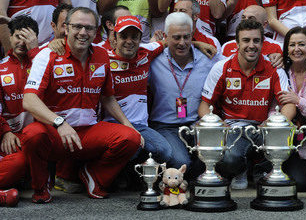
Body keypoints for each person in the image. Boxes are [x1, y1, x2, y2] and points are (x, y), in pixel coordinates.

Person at [22, 7, 142, 203]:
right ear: (66, 28)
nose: (83, 33)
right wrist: (59, 123)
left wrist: (128, 125)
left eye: (89, 28)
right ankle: (41, 186)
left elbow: (108, 98)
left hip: (87, 134)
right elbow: (29, 100)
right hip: (55, 134)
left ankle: (93, 176)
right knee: (32, 134)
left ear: (96, 32)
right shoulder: (47, 55)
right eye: (77, 26)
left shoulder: (102, 55)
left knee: (130, 138)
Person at [198, 19, 295, 188]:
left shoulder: (274, 68)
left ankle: (261, 169)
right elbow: (204, 106)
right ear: (236, 43)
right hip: (233, 128)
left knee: (289, 137)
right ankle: (241, 168)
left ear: (263, 43)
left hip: (263, 127)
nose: (251, 45)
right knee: (229, 160)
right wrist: (221, 127)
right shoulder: (221, 68)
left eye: (256, 40)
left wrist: (273, 124)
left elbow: (289, 105)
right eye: (246, 40)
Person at [149, 12, 218, 175]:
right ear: (166, 36)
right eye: (176, 37)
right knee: (182, 162)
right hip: (165, 125)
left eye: (187, 37)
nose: (182, 43)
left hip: (195, 124)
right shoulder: (153, 60)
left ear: (192, 35)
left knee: (214, 154)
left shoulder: (207, 59)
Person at [104, 15, 173, 166]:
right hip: (112, 125)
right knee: (130, 147)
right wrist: (56, 43)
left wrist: (198, 43)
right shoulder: (102, 57)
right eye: (123, 36)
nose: (129, 41)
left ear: (141, 38)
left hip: (141, 126)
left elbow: (169, 41)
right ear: (114, 38)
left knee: (164, 152)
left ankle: (133, 177)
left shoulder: (146, 52)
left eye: (134, 37)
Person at [0, 16, 39, 192]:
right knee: (17, 164)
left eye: (27, 37)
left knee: (20, 163)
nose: (22, 42)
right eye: (17, 36)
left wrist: (36, 52)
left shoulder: (44, 63)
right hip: (7, 137)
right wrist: (6, 132)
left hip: (38, 136)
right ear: (9, 37)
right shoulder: (0, 68)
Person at [279, 27, 306, 192]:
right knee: (300, 184)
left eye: (301, 44)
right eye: (292, 45)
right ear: (286, 49)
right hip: (289, 142)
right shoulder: (280, 74)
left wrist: (298, 101)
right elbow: (272, 108)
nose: (297, 49)